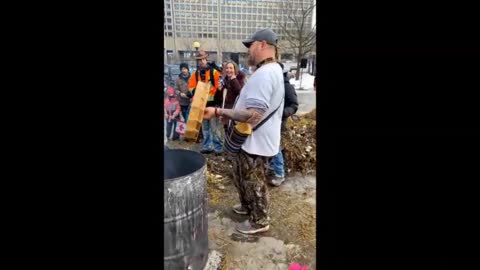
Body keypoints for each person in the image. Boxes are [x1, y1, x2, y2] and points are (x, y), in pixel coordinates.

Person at [202, 29, 284, 234]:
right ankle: (248, 207)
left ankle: (260, 220)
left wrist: (220, 111)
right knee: (243, 177)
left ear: (263, 45)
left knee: (254, 181)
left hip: (255, 141)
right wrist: (229, 114)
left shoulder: (266, 73)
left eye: (251, 46)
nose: (249, 51)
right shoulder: (268, 71)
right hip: (252, 139)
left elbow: (254, 114)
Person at [267, 63, 299, 186]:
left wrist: (282, 113)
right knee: (269, 145)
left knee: (276, 147)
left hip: (279, 122)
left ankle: (279, 174)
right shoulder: (271, 85)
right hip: (267, 122)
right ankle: (272, 167)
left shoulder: (287, 87)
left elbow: (294, 105)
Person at [187, 50, 223, 154]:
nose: (201, 62)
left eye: (203, 59)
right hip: (200, 105)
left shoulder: (214, 72)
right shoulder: (195, 74)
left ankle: (218, 147)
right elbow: (191, 87)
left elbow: (219, 87)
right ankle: (208, 146)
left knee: (215, 128)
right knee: (205, 128)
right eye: (199, 60)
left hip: (213, 105)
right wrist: (198, 91)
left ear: (206, 59)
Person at [214, 60, 246, 133]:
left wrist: (234, 80)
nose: (229, 70)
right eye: (227, 68)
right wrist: (219, 90)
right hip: (226, 112)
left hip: (235, 112)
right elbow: (218, 99)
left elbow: (240, 93)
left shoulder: (240, 79)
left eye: (231, 68)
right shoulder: (224, 81)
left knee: (234, 133)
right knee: (226, 133)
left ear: (235, 69)